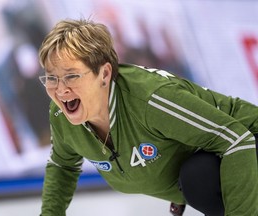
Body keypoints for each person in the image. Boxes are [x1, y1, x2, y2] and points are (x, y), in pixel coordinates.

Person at [38, 18, 258, 216]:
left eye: (71, 76)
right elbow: (62, 166)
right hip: (219, 152)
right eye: (51, 78)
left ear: (104, 74)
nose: (60, 90)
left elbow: (236, 140)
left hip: (246, 139)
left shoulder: (150, 99)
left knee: (199, 179)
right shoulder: (62, 115)